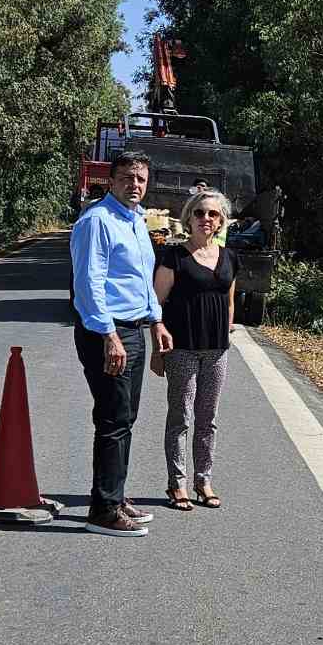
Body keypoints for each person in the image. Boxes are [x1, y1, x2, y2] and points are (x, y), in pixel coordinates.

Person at [71, 149, 174, 537]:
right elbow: (89, 283)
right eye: (127, 178)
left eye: (141, 179)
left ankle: (115, 494)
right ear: (111, 181)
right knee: (113, 418)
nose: (135, 185)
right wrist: (109, 335)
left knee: (126, 417)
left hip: (132, 329)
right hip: (106, 332)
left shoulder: (134, 221)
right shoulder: (97, 220)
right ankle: (103, 509)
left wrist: (156, 321)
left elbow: (140, 281)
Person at [153, 189, 238, 511]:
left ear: (221, 222)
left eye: (213, 214)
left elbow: (229, 303)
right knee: (181, 417)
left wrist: (225, 331)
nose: (206, 219)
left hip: (216, 350)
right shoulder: (174, 256)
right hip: (182, 349)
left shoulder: (230, 257)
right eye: (200, 213)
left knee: (208, 418)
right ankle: (177, 484)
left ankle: (204, 480)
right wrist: (156, 350)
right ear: (189, 217)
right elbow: (156, 305)